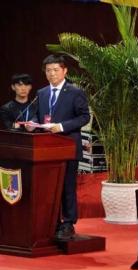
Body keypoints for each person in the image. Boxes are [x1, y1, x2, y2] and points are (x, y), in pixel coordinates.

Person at [30, 55, 90, 240]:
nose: (52, 74)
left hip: (67, 146)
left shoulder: (75, 92)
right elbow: (37, 115)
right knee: (49, 187)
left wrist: (62, 126)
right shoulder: (42, 93)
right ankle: (52, 221)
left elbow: (84, 117)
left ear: (65, 71)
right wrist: (32, 123)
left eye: (56, 70)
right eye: (48, 70)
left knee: (67, 186)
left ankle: (68, 222)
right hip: (46, 148)